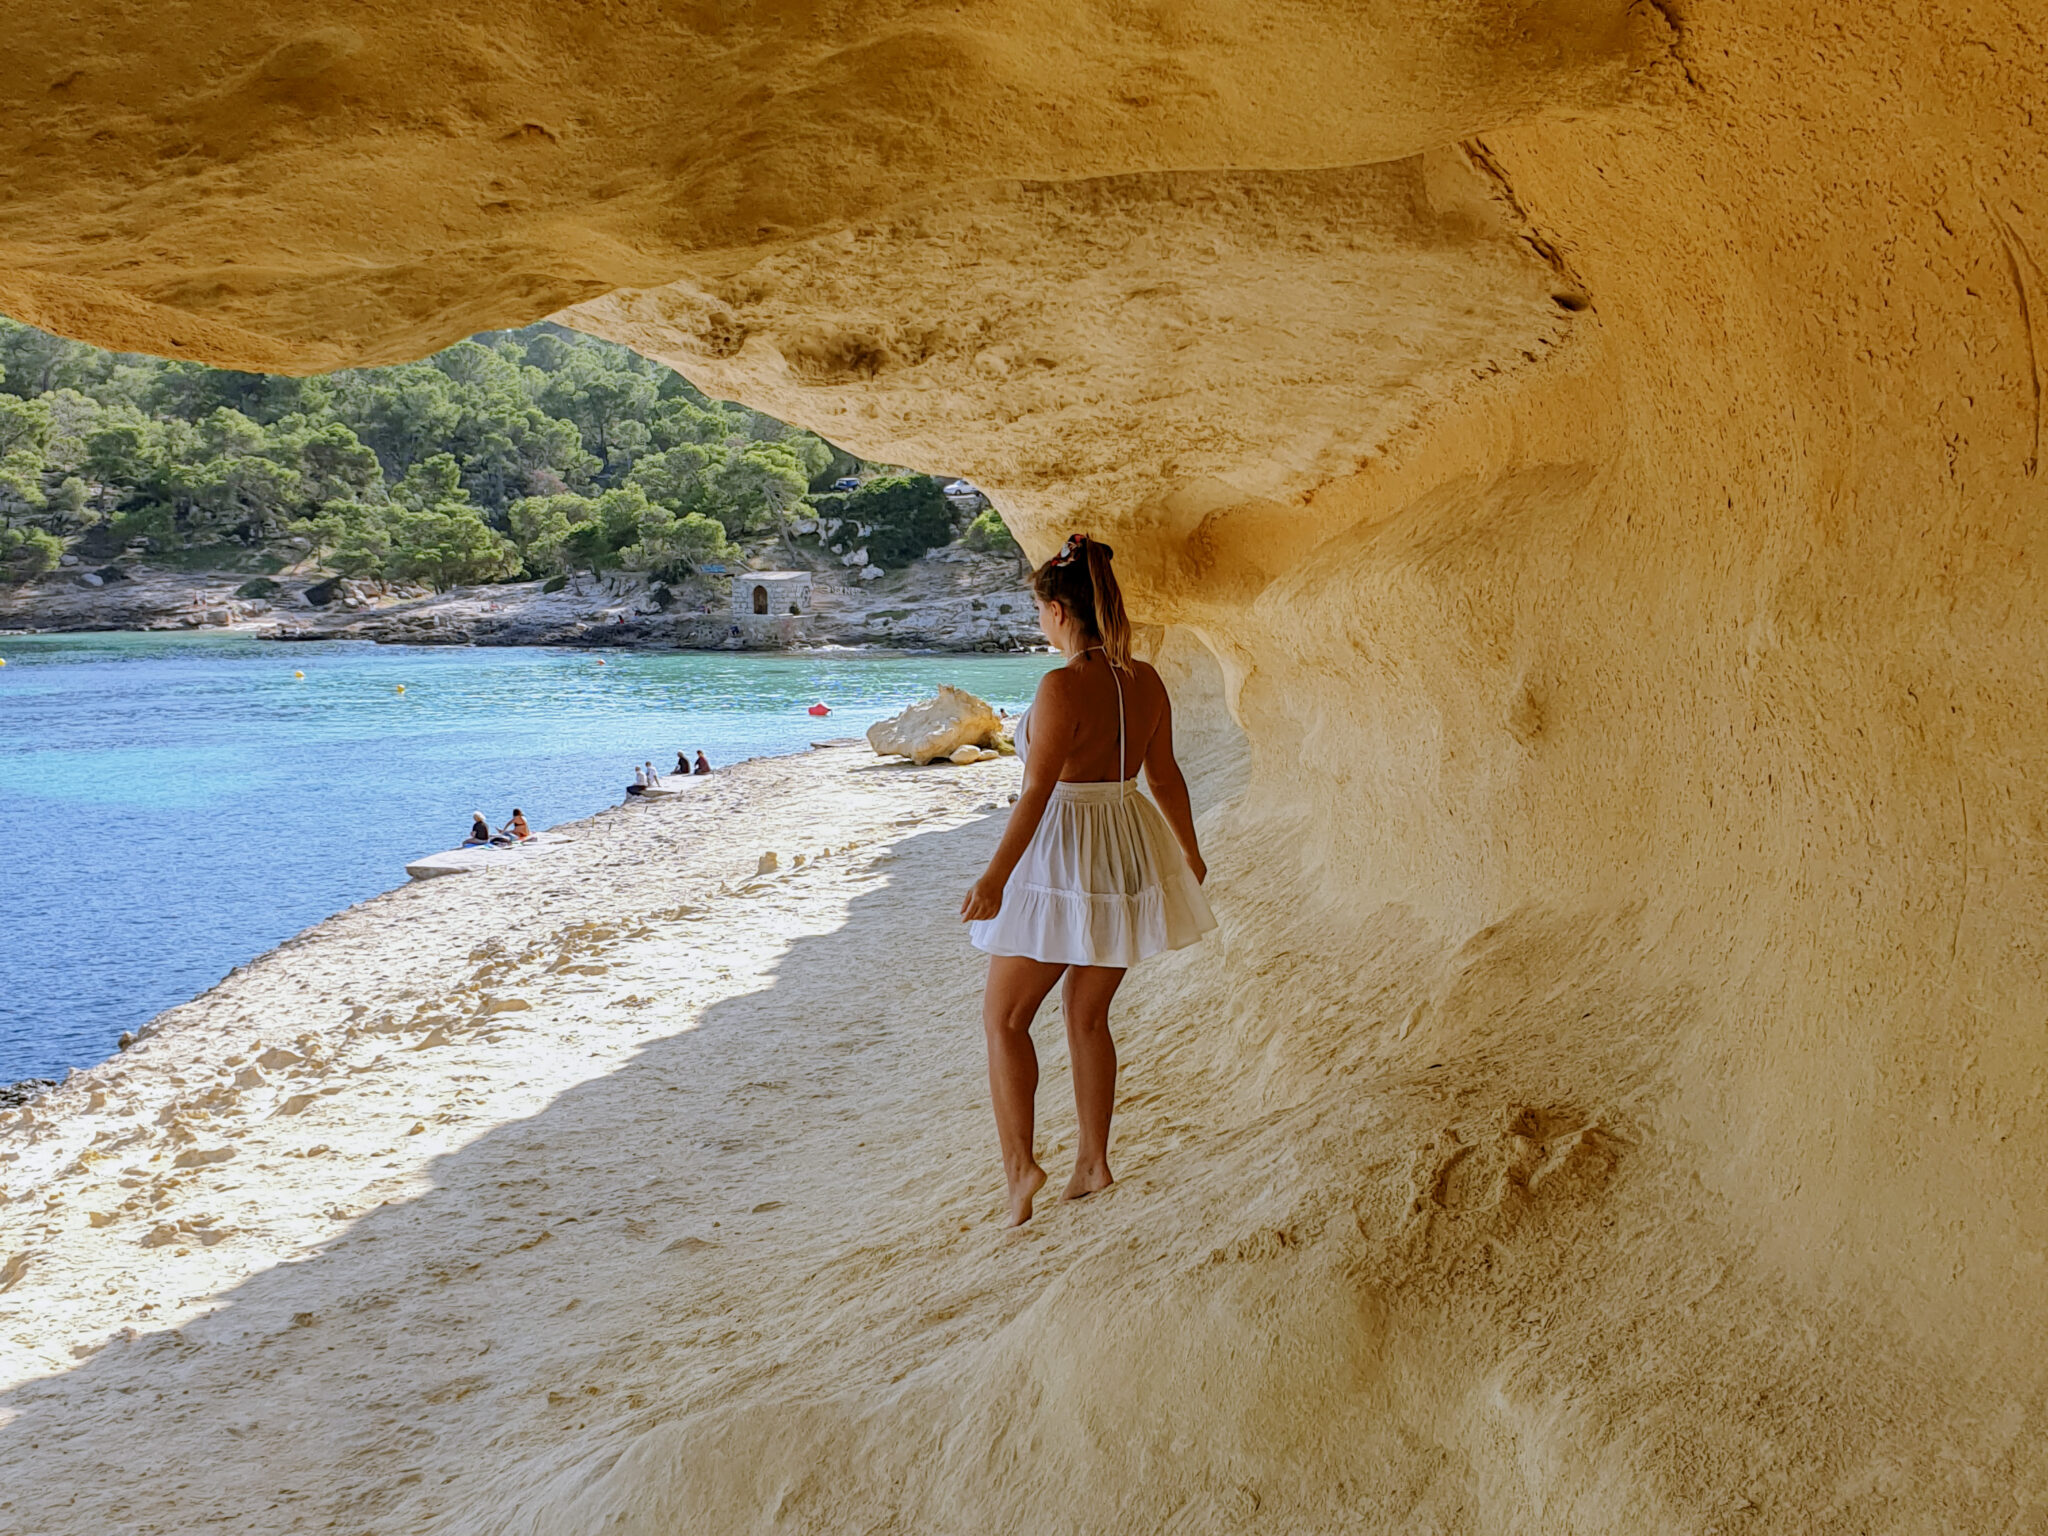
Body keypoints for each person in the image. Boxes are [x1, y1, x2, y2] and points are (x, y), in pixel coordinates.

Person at [960, 533, 1215, 1226]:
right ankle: (1094, 1162)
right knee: (1087, 1012)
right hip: (1127, 847)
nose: (1039, 622)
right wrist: (1188, 853)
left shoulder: (1062, 685)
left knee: (1005, 1018)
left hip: (1062, 853)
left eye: (1039, 610)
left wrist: (994, 877)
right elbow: (1163, 775)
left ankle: (1021, 1173)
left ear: (1060, 612)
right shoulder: (1146, 678)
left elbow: (1037, 794)